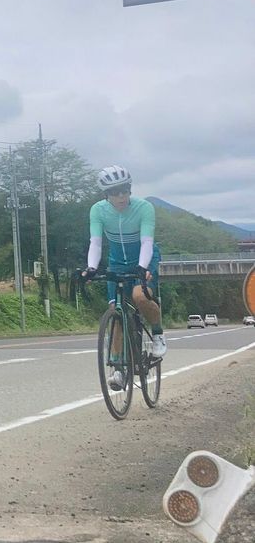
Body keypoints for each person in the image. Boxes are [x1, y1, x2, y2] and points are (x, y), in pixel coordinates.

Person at [81, 165, 166, 389]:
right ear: (106, 194)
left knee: (139, 296)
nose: (120, 197)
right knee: (116, 311)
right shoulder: (98, 211)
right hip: (117, 262)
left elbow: (147, 242)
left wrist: (142, 267)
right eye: (114, 192)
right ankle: (118, 369)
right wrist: (91, 267)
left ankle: (158, 333)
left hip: (144, 257)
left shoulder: (144, 208)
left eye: (124, 191)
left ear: (130, 189)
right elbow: (95, 243)